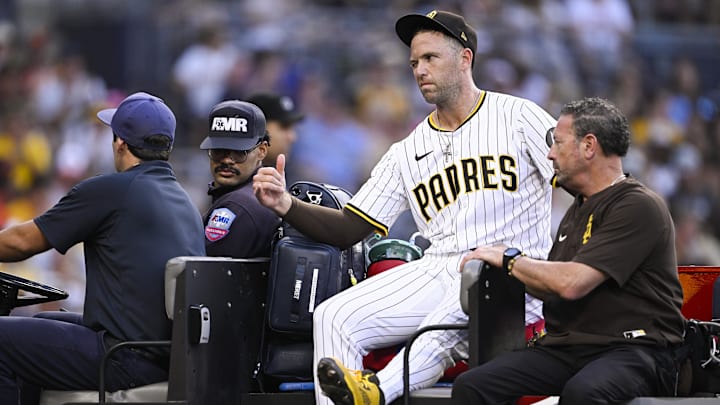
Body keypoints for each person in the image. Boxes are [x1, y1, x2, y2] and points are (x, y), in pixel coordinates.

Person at [253, 10, 557, 405]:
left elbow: (578, 176)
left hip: (514, 269)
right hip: (441, 265)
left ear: (465, 59)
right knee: (334, 316)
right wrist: (286, 204)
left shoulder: (519, 117)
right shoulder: (408, 150)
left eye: (431, 58)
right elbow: (348, 227)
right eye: (414, 62)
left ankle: (376, 391)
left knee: (463, 295)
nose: (419, 70)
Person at [451, 97, 685, 404]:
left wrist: (509, 258)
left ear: (589, 146)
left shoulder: (638, 206)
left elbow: (571, 284)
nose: (549, 154)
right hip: (569, 348)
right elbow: (553, 288)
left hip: (636, 350)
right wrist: (498, 263)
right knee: (473, 385)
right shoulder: (578, 208)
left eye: (557, 143)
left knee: (583, 394)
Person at [0, 91, 206, 405]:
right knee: (41, 324)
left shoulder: (111, 189)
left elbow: (20, 242)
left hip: (123, 358)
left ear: (120, 143)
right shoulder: (185, 201)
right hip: (161, 356)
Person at [200, 99, 280, 257]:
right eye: (218, 151)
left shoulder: (236, 207)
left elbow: (205, 276)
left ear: (262, 150)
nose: (226, 160)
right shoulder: (265, 194)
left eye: (239, 152)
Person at [246, 92, 305, 167]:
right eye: (284, 127)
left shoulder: (287, 172)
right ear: (257, 128)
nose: (292, 138)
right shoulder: (231, 173)